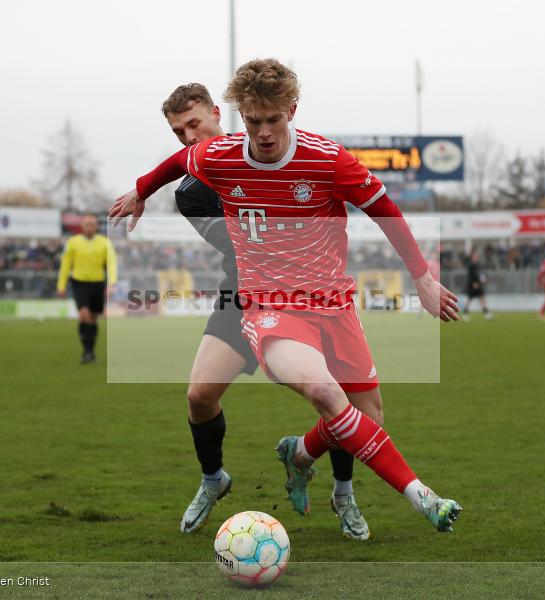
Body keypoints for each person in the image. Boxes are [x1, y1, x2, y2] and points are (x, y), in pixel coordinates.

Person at [110, 58, 463, 533]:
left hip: (331, 301)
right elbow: (181, 166)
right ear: (241, 116)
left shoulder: (327, 159)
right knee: (283, 392)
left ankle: (306, 459)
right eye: (254, 122)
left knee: (366, 416)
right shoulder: (213, 165)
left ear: (289, 110)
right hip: (259, 300)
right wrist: (141, 191)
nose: (264, 132)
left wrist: (421, 277)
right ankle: (420, 497)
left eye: (272, 120)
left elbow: (386, 210)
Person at [156, 84, 371, 539]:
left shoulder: (275, 151)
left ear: (218, 113)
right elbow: (238, 243)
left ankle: (343, 493)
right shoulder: (192, 191)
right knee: (198, 396)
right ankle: (213, 480)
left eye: (194, 124)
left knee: (336, 398)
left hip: (311, 297)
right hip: (244, 297)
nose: (188, 137)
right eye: (179, 132)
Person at [56, 213, 117, 363]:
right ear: (81, 226)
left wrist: (111, 283)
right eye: (86, 224)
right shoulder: (72, 242)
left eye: (92, 224)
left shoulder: (104, 242)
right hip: (79, 282)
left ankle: (91, 351)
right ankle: (87, 352)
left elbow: (112, 263)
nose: (89, 227)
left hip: (97, 283)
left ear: (96, 226)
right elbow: (65, 265)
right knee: (84, 314)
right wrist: (61, 285)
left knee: (93, 318)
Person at [463, 248, 493, 321]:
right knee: (469, 299)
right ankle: (465, 314)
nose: (477, 257)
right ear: (472, 257)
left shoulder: (478, 265)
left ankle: (486, 314)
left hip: (478, 285)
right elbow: (470, 276)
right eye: (475, 256)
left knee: (482, 298)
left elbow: (480, 274)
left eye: (477, 256)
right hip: (473, 285)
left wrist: (482, 279)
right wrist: (474, 283)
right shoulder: (471, 265)